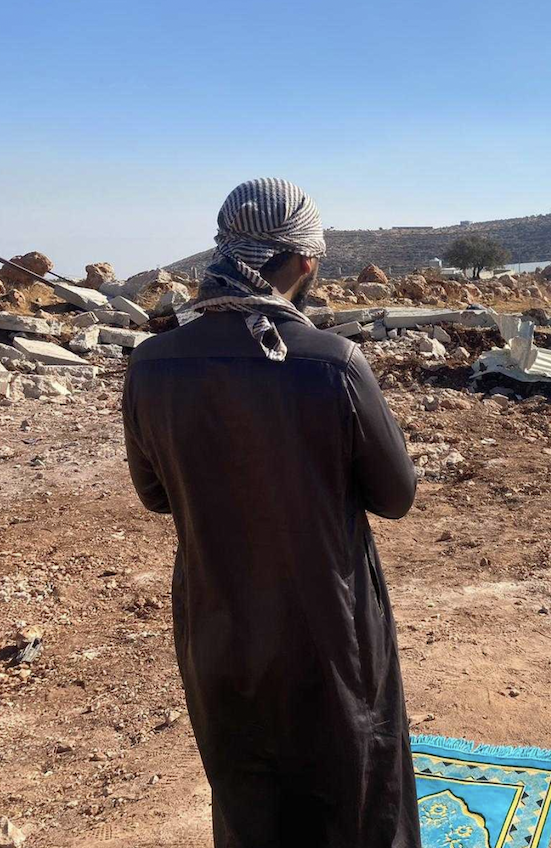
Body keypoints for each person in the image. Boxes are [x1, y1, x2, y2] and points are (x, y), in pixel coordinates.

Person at [122, 178, 421, 847]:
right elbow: (397, 497)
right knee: (357, 794)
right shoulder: (335, 363)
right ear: (305, 261)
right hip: (331, 631)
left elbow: (154, 496)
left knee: (246, 792)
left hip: (217, 626)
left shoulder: (150, 366)